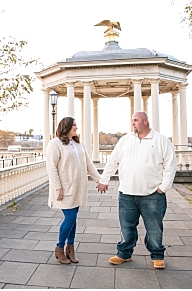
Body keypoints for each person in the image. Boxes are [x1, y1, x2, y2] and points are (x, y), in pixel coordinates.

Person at [96, 111, 177, 269]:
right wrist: (103, 180)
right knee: (126, 227)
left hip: (152, 194)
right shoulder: (125, 140)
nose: (132, 123)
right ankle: (124, 254)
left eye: (136, 120)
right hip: (127, 194)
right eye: (132, 120)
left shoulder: (161, 141)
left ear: (145, 121)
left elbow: (170, 166)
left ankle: (157, 256)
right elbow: (113, 161)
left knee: (154, 228)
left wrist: (163, 188)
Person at [46, 117, 103, 264]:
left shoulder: (78, 144)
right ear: (66, 127)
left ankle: (70, 248)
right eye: (74, 125)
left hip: (78, 187)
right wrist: (58, 187)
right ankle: (59, 248)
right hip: (64, 188)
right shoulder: (55, 144)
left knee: (73, 219)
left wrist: (99, 180)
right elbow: (51, 167)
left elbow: (88, 163)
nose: (76, 128)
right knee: (70, 217)